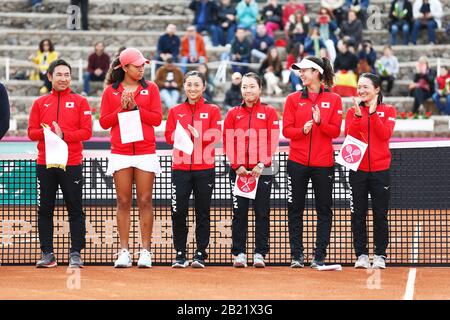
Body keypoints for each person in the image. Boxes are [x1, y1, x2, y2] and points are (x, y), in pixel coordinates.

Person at [99, 48, 163, 268]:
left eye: (143, 65)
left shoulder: (151, 88)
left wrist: (135, 108)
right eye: (137, 65)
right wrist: (121, 108)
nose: (141, 69)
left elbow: (156, 119)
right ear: (124, 68)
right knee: (123, 202)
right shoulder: (110, 92)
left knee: (145, 201)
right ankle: (124, 251)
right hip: (121, 152)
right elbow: (104, 122)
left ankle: (146, 251)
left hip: (145, 151)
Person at [27, 59, 93, 268]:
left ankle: (75, 253)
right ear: (50, 77)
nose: (63, 79)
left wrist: (63, 134)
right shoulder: (39, 103)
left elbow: (87, 132)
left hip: (71, 163)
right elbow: (31, 132)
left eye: (67, 75)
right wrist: (48, 133)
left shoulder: (81, 101)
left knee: (75, 209)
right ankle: (48, 254)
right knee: (44, 209)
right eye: (59, 75)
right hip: (45, 163)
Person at [283, 56, 343, 268]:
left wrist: (320, 123)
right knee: (295, 209)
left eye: (305, 70)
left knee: (324, 210)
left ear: (316, 72)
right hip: (297, 162)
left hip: (323, 163)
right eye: (300, 71)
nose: (301, 73)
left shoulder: (335, 100)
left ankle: (319, 256)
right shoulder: (292, 99)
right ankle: (296, 256)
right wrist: (302, 130)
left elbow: (335, 132)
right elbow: (287, 131)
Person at [164, 70, 222, 268]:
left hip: (204, 168)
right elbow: (168, 135)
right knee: (178, 211)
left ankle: (200, 253)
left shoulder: (213, 110)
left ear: (204, 87)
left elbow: (216, 136)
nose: (192, 88)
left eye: (197, 84)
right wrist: (180, 138)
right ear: (184, 86)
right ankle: (180, 253)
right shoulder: (175, 110)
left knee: (202, 212)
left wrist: (200, 136)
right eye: (189, 84)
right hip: (180, 168)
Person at [223, 72, 279, 268]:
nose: (248, 90)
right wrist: (237, 165)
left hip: (262, 170)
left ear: (260, 89)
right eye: (245, 87)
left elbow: (272, 140)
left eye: (252, 86)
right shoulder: (232, 113)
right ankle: (239, 252)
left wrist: (261, 164)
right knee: (240, 213)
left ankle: (260, 253)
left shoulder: (270, 112)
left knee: (262, 212)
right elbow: (228, 141)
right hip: (239, 171)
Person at [345, 73, 397, 269]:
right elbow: (349, 136)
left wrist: (373, 114)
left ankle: (380, 255)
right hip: (357, 170)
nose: (361, 90)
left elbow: (384, 135)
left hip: (380, 170)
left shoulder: (389, 110)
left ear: (377, 89)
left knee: (380, 214)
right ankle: (361, 255)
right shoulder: (352, 111)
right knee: (357, 213)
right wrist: (359, 116)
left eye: (366, 87)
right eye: (359, 87)